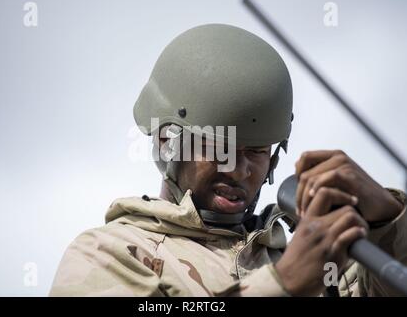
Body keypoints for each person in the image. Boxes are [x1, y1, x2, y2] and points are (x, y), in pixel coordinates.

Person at [49, 24, 406, 296]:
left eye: (256, 151)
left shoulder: (327, 264)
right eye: (219, 147)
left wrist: (388, 221)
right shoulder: (113, 254)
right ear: (167, 141)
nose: (239, 170)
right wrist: (284, 284)